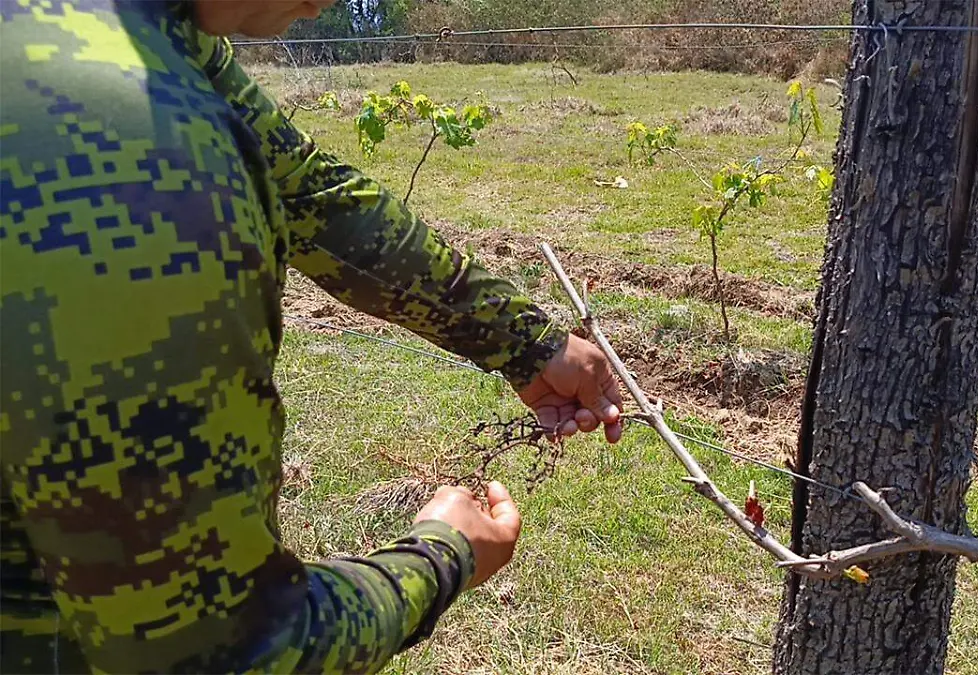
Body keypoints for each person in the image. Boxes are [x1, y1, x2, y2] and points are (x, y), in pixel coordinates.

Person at [0, 1, 624, 672]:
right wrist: (443, 555)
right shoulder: (128, 154)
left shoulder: (138, 25)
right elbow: (225, 650)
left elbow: (307, 192)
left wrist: (528, 343)